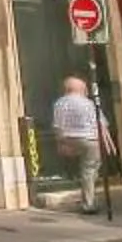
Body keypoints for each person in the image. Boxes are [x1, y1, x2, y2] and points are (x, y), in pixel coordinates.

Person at [50, 73, 102, 214]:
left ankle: (75, 183)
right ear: (80, 89)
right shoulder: (88, 103)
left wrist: (60, 143)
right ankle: (88, 203)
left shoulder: (59, 103)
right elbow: (99, 123)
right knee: (89, 170)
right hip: (89, 139)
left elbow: (57, 126)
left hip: (68, 139)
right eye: (85, 88)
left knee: (82, 169)